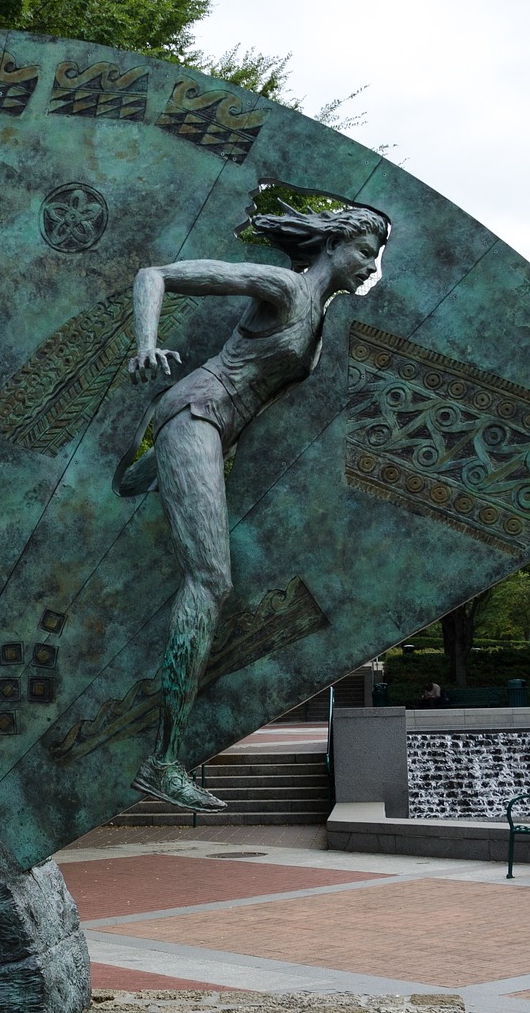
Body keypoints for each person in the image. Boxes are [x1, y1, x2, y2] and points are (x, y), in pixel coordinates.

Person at [118, 204, 389, 810]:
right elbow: (154, 275)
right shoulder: (286, 287)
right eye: (365, 251)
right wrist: (146, 346)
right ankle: (162, 763)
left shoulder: (318, 315)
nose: (372, 266)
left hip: (218, 435)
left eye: (376, 257)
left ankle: (136, 469)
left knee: (199, 562)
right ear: (332, 244)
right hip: (198, 413)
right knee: (210, 579)